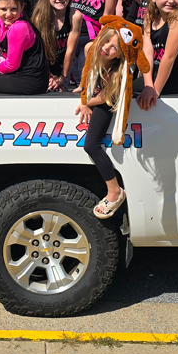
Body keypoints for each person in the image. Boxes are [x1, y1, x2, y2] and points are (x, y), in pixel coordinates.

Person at [75, 28, 129, 219]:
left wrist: (85, 102)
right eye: (106, 41)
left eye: (114, 47)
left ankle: (115, 191)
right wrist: (83, 90)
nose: (106, 48)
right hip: (94, 94)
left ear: (120, 54)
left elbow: (105, 97)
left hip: (106, 102)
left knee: (91, 145)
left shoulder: (119, 71)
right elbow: (87, 71)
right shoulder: (92, 49)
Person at [32, 0, 81, 91]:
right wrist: (50, 77)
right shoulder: (39, 17)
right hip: (41, 66)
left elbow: (70, 51)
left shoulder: (75, 16)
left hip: (63, 68)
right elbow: (40, 52)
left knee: (61, 91)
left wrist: (62, 78)